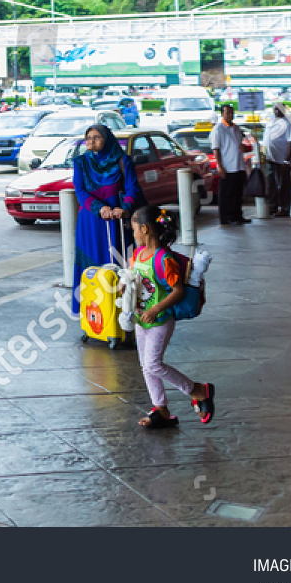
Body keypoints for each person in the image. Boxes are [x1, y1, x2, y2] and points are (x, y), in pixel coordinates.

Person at [128, 205, 215, 429]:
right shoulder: (138, 254)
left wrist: (156, 309)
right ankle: (161, 409)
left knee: (153, 364)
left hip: (160, 320)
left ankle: (198, 390)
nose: (134, 234)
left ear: (146, 229)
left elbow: (178, 291)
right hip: (141, 318)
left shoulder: (163, 258)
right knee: (145, 366)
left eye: (135, 229)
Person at [70, 124, 143, 315]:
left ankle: (123, 310)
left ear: (107, 139)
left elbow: (132, 188)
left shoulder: (122, 160)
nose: (91, 142)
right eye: (88, 138)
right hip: (91, 221)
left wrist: (124, 208)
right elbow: (80, 190)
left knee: (119, 263)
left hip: (117, 220)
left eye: (96, 137)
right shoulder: (80, 162)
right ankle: (92, 312)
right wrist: (99, 208)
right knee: (91, 265)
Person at [210, 104, 251, 225]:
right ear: (222, 114)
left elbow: (241, 144)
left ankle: (237, 215)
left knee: (238, 193)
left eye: (232, 113)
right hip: (227, 165)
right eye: (227, 113)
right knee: (226, 193)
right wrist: (219, 165)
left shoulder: (236, 128)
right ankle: (225, 217)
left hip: (239, 165)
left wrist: (243, 147)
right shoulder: (218, 129)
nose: (230, 115)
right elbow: (216, 149)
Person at [263, 105, 291, 217]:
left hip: (282, 160)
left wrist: (287, 160)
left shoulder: (288, 124)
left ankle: (285, 209)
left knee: (284, 185)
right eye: (275, 109)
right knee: (271, 184)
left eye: (279, 109)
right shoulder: (270, 122)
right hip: (270, 158)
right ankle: (273, 207)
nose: (277, 111)